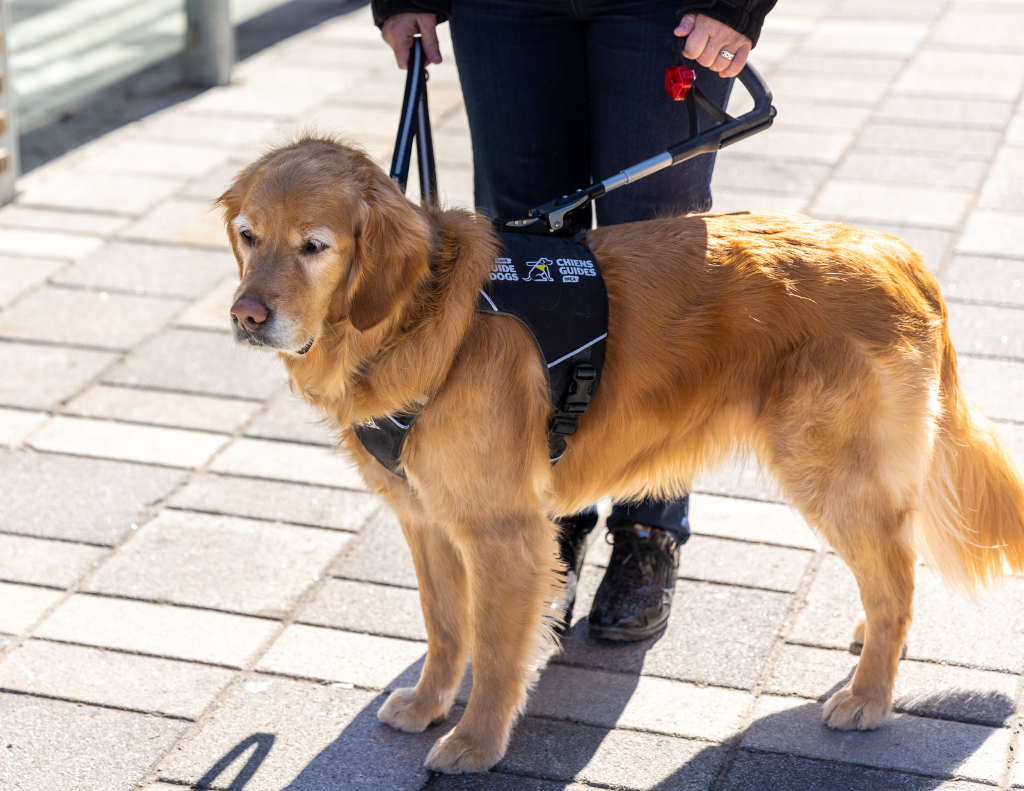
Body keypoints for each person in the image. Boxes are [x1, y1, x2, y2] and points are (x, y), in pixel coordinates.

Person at [373, 0, 776, 641]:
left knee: (659, 265)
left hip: (665, 10)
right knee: (524, 261)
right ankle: (546, 515)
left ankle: (649, 526)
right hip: (507, 13)